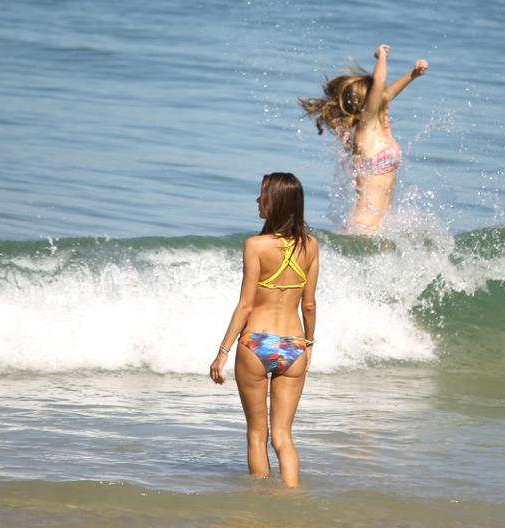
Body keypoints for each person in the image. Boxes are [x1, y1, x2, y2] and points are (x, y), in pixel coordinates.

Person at [209, 172, 319, 488]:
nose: (258, 201)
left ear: (277, 203)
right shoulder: (311, 246)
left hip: (256, 344)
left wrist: (222, 352)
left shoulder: (255, 245)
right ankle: (291, 498)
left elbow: (245, 306)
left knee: (258, 435)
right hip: (294, 347)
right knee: (284, 436)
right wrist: (309, 344)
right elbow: (309, 305)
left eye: (263, 196)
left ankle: (259, 510)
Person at [300, 44, 428, 232]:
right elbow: (380, 80)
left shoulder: (379, 123)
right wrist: (381, 57)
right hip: (365, 227)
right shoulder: (364, 128)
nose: (380, 93)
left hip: (378, 227)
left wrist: (413, 74)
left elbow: (387, 94)